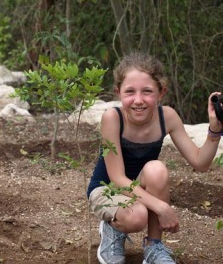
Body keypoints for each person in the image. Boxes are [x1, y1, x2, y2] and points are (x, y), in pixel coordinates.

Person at [87, 52, 222, 264]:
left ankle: (153, 247)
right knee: (136, 215)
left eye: (147, 92)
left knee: (156, 169)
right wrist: (161, 208)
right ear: (118, 93)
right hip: (107, 188)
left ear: (161, 93)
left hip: (139, 187)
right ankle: (112, 228)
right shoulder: (112, 118)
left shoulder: (166, 117)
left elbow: (200, 163)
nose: (138, 100)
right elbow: (117, 178)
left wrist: (214, 129)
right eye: (130, 91)